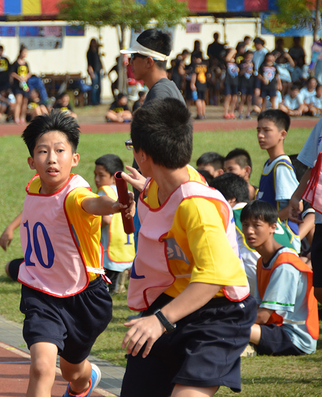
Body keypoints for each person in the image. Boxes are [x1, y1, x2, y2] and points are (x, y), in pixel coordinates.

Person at [119, 97, 255, 396]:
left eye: (131, 147)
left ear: (142, 155)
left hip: (218, 311)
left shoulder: (197, 206)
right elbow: (164, 196)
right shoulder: (160, 184)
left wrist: (159, 320)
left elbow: (212, 278)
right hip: (175, 299)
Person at [19, 111, 129, 397]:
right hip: (41, 292)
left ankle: (84, 381)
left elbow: (93, 203)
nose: (52, 159)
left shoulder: (75, 194)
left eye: (60, 151)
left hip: (84, 297)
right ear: (32, 162)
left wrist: (115, 206)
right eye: (43, 152)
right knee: (42, 367)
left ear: (75, 159)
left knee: (72, 371)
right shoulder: (33, 186)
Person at [241, 200, 318, 356]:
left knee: (228, 327)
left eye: (256, 225)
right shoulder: (262, 260)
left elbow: (262, 316)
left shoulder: (285, 264)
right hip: (275, 328)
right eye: (245, 225)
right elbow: (258, 307)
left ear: (273, 227)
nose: (249, 231)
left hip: (295, 338)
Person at [210, 173, 296, 301]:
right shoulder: (264, 214)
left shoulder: (229, 215)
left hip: (266, 279)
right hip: (292, 279)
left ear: (231, 199)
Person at [289, 117, 322, 304]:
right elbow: (313, 164)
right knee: (319, 289)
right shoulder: (321, 125)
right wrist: (296, 196)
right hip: (320, 216)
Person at [94, 154, 135, 294]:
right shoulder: (127, 192)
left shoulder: (104, 192)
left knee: (105, 282)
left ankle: (116, 286)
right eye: (95, 175)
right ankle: (121, 281)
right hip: (127, 246)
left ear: (114, 176)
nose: (97, 180)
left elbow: (106, 219)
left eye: (101, 175)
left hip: (110, 247)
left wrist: (92, 228)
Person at [121, 29, 184, 104]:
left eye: (133, 56)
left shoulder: (159, 94)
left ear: (148, 62)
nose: (130, 62)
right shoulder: (166, 88)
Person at [10, 45, 30, 124]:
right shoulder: (15, 63)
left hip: (25, 84)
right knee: (18, 101)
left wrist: (26, 78)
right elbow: (12, 73)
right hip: (18, 84)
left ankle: (22, 117)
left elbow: (29, 73)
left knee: (25, 101)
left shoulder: (26, 63)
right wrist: (19, 78)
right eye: (24, 52)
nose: (25, 54)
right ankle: (16, 117)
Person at [189, 54, 208, 120]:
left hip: (198, 84)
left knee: (198, 99)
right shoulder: (205, 65)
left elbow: (194, 75)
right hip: (204, 84)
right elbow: (208, 75)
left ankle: (199, 114)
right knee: (203, 100)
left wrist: (192, 84)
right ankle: (203, 114)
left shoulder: (195, 65)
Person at [238, 51, 255, 119]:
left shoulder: (253, 63)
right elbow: (240, 73)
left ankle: (248, 113)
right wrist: (245, 68)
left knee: (249, 98)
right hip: (243, 82)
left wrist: (252, 70)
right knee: (243, 98)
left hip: (250, 82)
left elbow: (255, 72)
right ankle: (240, 113)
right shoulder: (242, 62)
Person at [223, 48, 239, 119]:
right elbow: (227, 59)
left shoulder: (236, 61)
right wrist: (232, 51)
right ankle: (225, 112)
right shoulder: (227, 60)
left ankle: (232, 111)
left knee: (234, 97)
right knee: (228, 96)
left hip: (235, 80)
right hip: (228, 80)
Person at [87, 38, 103, 105]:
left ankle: (98, 99)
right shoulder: (89, 52)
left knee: (99, 86)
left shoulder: (97, 51)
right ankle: (94, 101)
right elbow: (89, 64)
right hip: (94, 71)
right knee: (95, 87)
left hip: (98, 70)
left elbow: (100, 61)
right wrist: (91, 73)